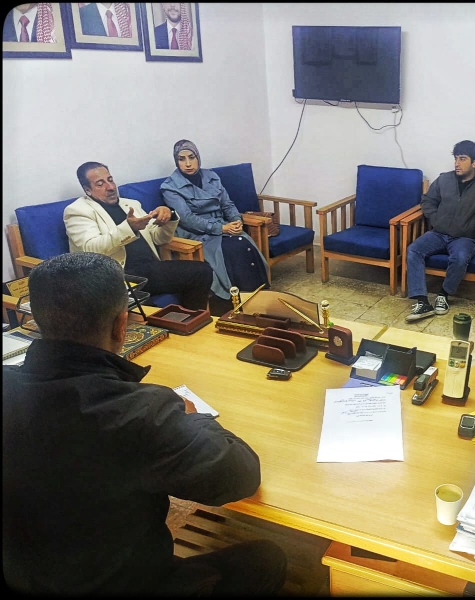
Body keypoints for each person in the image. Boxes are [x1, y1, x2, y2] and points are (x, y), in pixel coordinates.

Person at [2, 252, 287, 595]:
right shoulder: (141, 413)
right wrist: (192, 416)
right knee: (266, 559)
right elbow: (241, 476)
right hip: (122, 584)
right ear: (122, 325)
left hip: (27, 574)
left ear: (36, 320)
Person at [64, 161, 214, 311]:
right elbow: (91, 248)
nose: (110, 187)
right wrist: (129, 228)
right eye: (100, 184)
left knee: (202, 271)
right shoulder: (78, 211)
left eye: (110, 180)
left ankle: (193, 319)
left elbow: (159, 238)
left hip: (150, 269)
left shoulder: (131, 204)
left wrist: (169, 217)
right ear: (88, 190)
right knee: (147, 310)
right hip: (118, 277)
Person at [160, 139, 270, 316]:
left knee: (244, 242)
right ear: (176, 161)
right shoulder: (169, 187)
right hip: (197, 234)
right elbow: (187, 219)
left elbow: (227, 204)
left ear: (198, 157)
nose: (188, 163)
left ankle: (259, 297)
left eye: (191, 157)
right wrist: (221, 228)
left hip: (224, 226)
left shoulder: (211, 176)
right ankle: (235, 303)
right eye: (181, 159)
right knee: (233, 247)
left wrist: (236, 221)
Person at [404, 140, 475, 322]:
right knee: (413, 250)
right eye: (456, 159)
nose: (457, 163)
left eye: (462, 159)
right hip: (439, 233)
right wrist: (436, 219)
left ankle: (443, 295)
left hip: (465, 237)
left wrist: (473, 225)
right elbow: (427, 201)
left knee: (459, 258)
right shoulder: (444, 179)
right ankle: (422, 301)